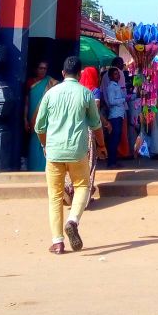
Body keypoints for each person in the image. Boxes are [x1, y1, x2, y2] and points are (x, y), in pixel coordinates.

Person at [34, 55, 105, 255]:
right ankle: (73, 220)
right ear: (80, 74)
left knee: (54, 196)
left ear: (63, 73)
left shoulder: (50, 93)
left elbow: (39, 126)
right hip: (78, 151)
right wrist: (101, 145)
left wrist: (45, 144)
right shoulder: (85, 94)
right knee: (83, 186)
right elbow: (95, 124)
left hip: (54, 152)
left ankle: (57, 242)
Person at [24, 60, 56, 172]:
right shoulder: (30, 83)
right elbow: (27, 102)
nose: (43, 71)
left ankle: (45, 167)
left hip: (46, 118)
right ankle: (33, 168)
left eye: (45, 68)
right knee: (34, 142)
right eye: (41, 68)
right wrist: (25, 119)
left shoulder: (51, 82)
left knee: (45, 140)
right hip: (32, 117)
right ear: (36, 69)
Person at [103, 68, 127, 167]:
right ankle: (111, 162)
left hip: (119, 114)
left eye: (118, 74)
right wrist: (123, 99)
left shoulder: (116, 86)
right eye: (115, 74)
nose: (118, 76)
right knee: (114, 138)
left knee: (116, 138)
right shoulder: (111, 87)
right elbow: (112, 101)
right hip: (115, 115)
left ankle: (113, 161)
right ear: (111, 76)